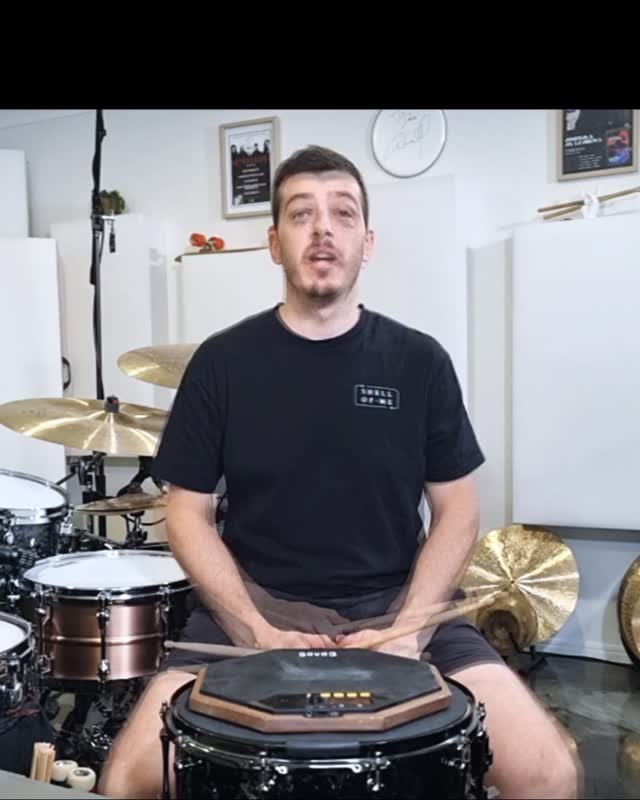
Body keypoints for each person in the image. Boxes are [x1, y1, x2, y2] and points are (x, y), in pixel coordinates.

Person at [98, 145, 581, 799]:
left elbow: (458, 510)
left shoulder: (420, 361)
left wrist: (413, 628)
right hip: (255, 603)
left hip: (400, 602)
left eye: (343, 213)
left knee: (550, 775)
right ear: (275, 243)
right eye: (301, 214)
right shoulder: (222, 363)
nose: (323, 228)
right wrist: (254, 629)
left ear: (367, 242)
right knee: (127, 780)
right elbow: (187, 513)